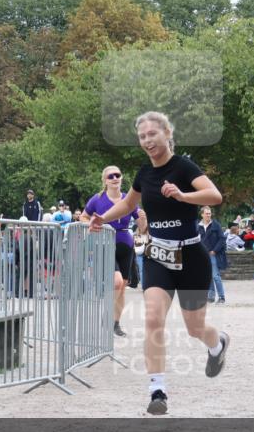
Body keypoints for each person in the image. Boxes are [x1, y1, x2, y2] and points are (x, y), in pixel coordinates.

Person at [88, 111, 228, 416]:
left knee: (194, 328)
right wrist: (103, 218)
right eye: (142, 136)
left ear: (167, 133)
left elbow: (214, 196)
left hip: (191, 257)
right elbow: (128, 204)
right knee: (153, 320)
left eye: (152, 134)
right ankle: (157, 391)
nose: (147, 141)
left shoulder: (184, 167)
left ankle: (217, 344)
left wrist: (182, 195)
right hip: (158, 257)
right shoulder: (144, 174)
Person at [81, 165, 140, 337]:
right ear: (105, 181)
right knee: (117, 282)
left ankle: (115, 324)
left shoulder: (128, 199)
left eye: (117, 175)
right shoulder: (97, 199)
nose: (115, 178)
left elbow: (141, 223)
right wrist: (90, 225)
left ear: (121, 178)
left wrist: (143, 221)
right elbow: (84, 216)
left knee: (122, 288)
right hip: (105, 244)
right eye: (110, 176)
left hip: (126, 245)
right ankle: (107, 315)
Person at [198, 206, 227, 305]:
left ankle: (222, 297)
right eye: (206, 213)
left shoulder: (216, 225)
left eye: (209, 213)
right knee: (208, 276)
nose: (208, 215)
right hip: (202, 255)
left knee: (215, 276)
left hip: (213, 254)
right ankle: (211, 297)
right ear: (202, 214)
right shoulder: (198, 226)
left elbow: (222, 239)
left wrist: (215, 250)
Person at [133, 213, 150, 290]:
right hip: (145, 251)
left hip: (142, 252)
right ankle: (145, 285)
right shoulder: (146, 229)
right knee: (144, 270)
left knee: (142, 270)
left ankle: (144, 286)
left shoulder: (137, 230)